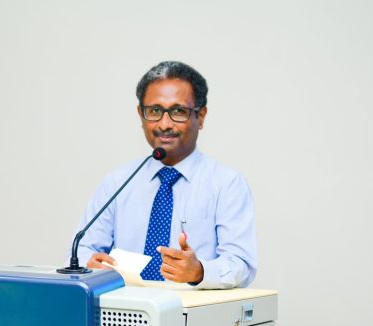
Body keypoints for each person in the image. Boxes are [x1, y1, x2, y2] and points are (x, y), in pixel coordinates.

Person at [73, 61, 257, 289]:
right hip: (124, 308)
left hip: (192, 309)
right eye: (155, 111)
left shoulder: (226, 184)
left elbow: (241, 264)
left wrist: (200, 271)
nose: (165, 124)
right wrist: (90, 266)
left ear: (200, 116)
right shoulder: (117, 182)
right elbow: (82, 250)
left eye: (178, 111)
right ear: (141, 115)